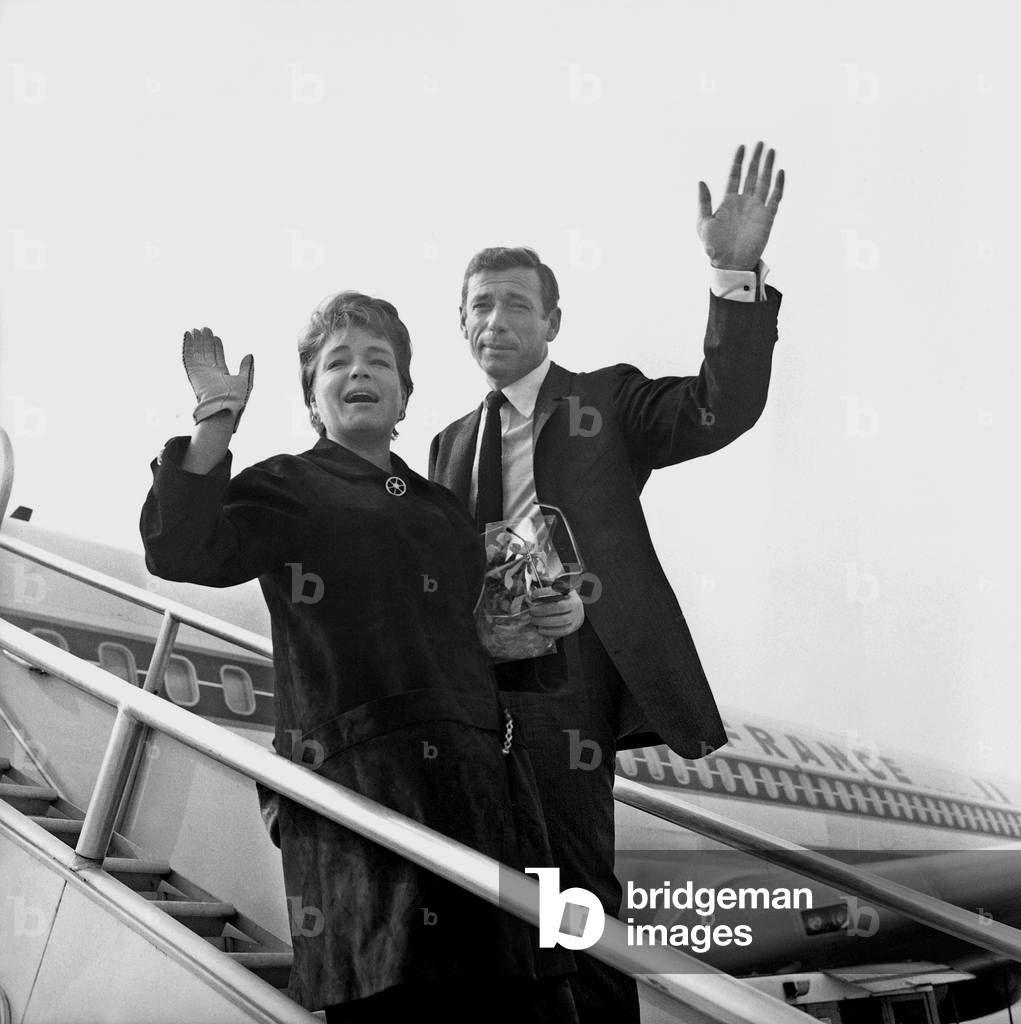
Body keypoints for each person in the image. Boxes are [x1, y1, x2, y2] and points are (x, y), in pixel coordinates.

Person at [139, 293, 578, 1022]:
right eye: (336, 363)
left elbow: (486, 645)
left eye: (380, 361)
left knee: (524, 994)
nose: (359, 372)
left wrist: (546, 617)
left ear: (405, 395)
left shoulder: (442, 511)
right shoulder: (288, 485)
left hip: (483, 796)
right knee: (393, 991)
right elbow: (179, 547)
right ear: (313, 399)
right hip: (363, 807)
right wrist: (216, 421)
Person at [429, 142, 786, 1022]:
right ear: (462, 326)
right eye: (480, 306)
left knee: (570, 894)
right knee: (484, 895)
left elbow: (720, 406)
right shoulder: (442, 445)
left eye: (518, 304)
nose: (496, 320)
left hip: (565, 682)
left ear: (552, 322)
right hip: (475, 688)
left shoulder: (606, 401)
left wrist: (731, 274)